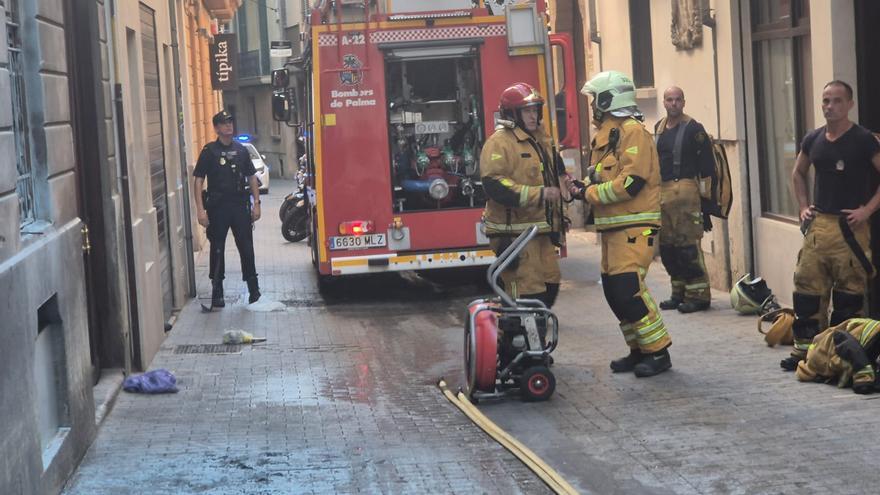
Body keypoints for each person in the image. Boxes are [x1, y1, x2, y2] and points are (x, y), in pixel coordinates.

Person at [572, 70, 672, 377]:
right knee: (615, 293)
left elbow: (631, 182)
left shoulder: (633, 132)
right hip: (615, 227)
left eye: (594, 101)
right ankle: (638, 349)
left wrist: (589, 193)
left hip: (635, 226)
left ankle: (658, 352)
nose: (591, 108)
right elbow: (606, 174)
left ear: (607, 99)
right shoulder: (609, 135)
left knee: (629, 289)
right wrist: (582, 184)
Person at [782, 80, 880, 371]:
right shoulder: (813, 139)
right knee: (806, 291)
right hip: (818, 226)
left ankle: (841, 356)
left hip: (851, 230)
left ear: (849, 104)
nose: (830, 106)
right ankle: (805, 353)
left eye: (837, 101)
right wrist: (802, 207)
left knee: (849, 296)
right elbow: (798, 172)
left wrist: (867, 211)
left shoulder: (863, 140)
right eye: (826, 101)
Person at [481, 82, 566, 310]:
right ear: (512, 113)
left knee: (551, 282)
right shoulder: (499, 143)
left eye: (535, 110)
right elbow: (494, 184)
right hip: (515, 236)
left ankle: (535, 330)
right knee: (527, 292)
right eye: (526, 111)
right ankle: (515, 340)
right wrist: (539, 194)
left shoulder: (540, 138)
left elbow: (553, 168)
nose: (533, 116)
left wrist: (567, 182)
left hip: (540, 232)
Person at [654, 87, 715, 313]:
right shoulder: (658, 128)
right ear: (664, 102)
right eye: (670, 100)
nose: (674, 104)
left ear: (684, 102)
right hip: (663, 194)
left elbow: (707, 169)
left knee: (688, 247)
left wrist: (706, 206)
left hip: (687, 193)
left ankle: (699, 295)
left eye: (678, 99)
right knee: (669, 249)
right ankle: (678, 292)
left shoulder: (694, 129)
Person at [193, 110, 263, 307]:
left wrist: (256, 203)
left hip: (239, 206)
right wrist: (200, 210)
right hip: (218, 207)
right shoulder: (209, 152)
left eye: (230, 122)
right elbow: (198, 181)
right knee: (217, 249)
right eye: (224, 123)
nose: (228, 126)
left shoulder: (241, 150)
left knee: (246, 248)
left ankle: (254, 290)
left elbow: (252, 177)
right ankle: (217, 291)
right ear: (216, 128)